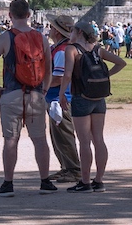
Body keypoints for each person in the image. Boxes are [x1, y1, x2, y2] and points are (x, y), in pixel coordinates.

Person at [0, 0, 56, 197]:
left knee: (11, 140)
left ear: (10, 15)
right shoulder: (41, 37)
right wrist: (44, 89)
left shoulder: (5, 37)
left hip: (12, 93)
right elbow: (48, 68)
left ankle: (8, 183)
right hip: (35, 93)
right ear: (29, 15)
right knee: (40, 140)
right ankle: (45, 181)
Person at [60, 20, 126, 192]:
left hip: (81, 96)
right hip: (99, 97)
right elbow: (121, 62)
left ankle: (85, 181)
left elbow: (67, 75)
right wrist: (106, 75)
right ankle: (99, 180)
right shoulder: (97, 49)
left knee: (84, 141)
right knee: (99, 139)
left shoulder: (72, 49)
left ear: (80, 32)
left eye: (73, 30)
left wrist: (61, 94)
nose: (71, 33)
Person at [45, 14, 81, 184]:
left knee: (64, 135)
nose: (49, 29)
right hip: (56, 98)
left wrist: (40, 84)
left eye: (52, 27)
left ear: (57, 31)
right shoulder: (60, 47)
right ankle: (66, 167)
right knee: (57, 135)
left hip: (60, 98)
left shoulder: (61, 50)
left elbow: (59, 78)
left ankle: (73, 169)